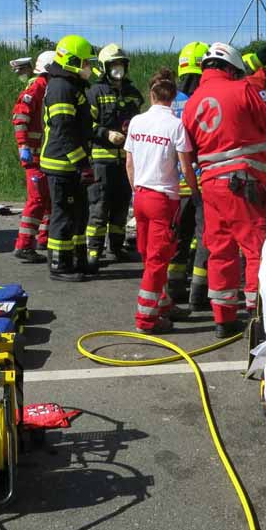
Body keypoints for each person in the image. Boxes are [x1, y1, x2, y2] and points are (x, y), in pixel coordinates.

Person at [181, 37, 266, 337]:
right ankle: (259, 314)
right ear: (232, 67)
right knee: (258, 248)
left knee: (220, 251)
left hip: (211, 188)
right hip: (244, 184)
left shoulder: (192, 103)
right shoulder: (242, 88)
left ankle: (224, 319)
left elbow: (190, 150)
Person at [125, 68, 199, 333]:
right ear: (172, 96)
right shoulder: (175, 125)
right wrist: (195, 191)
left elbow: (130, 163)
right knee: (158, 260)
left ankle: (163, 303)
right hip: (163, 199)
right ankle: (146, 318)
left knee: (148, 254)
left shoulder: (136, 121)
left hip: (141, 195)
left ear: (151, 94)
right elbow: (186, 166)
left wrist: (137, 191)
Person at [40, 35, 97, 282]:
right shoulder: (62, 88)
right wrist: (82, 164)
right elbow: (64, 131)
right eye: (86, 63)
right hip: (62, 164)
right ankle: (59, 265)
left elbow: (82, 127)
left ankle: (77, 259)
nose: (89, 68)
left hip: (71, 164)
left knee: (78, 214)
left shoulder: (70, 85)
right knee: (63, 216)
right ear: (73, 62)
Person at [85, 44, 143, 272]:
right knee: (100, 207)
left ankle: (116, 247)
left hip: (126, 161)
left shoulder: (132, 93)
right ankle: (94, 250)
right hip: (102, 161)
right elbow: (85, 124)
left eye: (121, 64)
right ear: (104, 67)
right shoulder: (95, 93)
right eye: (114, 65)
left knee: (120, 206)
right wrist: (106, 133)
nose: (118, 69)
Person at [167, 41, 209, 309]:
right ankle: (199, 292)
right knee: (205, 238)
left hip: (172, 185)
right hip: (202, 183)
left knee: (177, 240)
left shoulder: (169, 102)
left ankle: (173, 289)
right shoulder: (206, 101)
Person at [11, 50, 57, 262]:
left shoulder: (48, 86)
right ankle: (24, 245)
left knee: (48, 199)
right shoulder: (38, 86)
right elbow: (21, 115)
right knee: (37, 199)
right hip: (34, 155)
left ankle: (44, 238)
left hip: (45, 154)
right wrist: (23, 145)